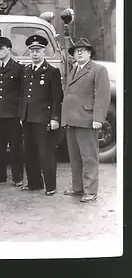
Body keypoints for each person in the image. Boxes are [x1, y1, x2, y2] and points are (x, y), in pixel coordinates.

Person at [61, 38, 110, 203]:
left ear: (90, 53)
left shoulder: (98, 69)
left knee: (89, 157)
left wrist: (98, 119)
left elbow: (102, 96)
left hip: (87, 120)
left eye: (83, 50)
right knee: (74, 157)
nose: (79, 53)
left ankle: (90, 190)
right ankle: (78, 187)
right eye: (76, 51)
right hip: (71, 120)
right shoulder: (74, 69)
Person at [19, 35, 63, 196]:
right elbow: (24, 95)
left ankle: (50, 186)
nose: (35, 54)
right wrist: (21, 115)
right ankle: (34, 183)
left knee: (46, 154)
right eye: (32, 51)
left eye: (37, 51)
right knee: (29, 153)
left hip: (44, 119)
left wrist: (55, 118)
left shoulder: (52, 71)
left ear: (44, 51)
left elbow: (57, 97)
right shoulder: (27, 70)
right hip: (28, 118)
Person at [0, 37, 24, 186]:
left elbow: (22, 92)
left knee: (15, 147)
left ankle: (18, 177)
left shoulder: (18, 68)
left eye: (1, 48)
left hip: (12, 113)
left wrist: (20, 113)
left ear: (9, 49)